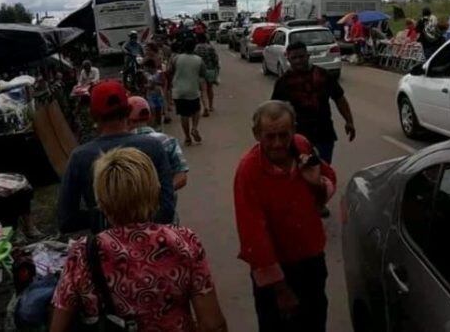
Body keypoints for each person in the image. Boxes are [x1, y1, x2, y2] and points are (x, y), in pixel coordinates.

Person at [51, 148, 227, 332]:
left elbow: (58, 325)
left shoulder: (83, 254)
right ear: (154, 190)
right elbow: (212, 323)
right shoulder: (184, 241)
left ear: (101, 201)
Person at [234, 101, 336, 332]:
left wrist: (316, 182)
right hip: (276, 272)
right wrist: (280, 289)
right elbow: (253, 236)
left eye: (284, 135)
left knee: (316, 321)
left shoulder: (302, 146)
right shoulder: (249, 170)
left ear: (294, 130)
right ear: (257, 135)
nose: (278, 144)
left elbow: (326, 183)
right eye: (270, 137)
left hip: (311, 260)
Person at [57, 79, 175, 233]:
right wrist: (143, 227)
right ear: (128, 111)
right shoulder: (153, 147)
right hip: (154, 247)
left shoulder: (80, 157)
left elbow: (66, 220)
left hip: (106, 251)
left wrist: (104, 219)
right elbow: (167, 209)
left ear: (93, 116)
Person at [271, 41, 355, 168]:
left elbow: (339, 99)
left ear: (308, 56)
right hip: (297, 136)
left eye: (301, 56)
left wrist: (349, 121)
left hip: (324, 134)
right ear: (288, 59)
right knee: (301, 171)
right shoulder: (283, 82)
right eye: (294, 58)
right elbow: (275, 110)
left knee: (323, 169)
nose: (298, 61)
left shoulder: (323, 75)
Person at [128, 96, 189, 223]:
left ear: (126, 120)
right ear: (149, 116)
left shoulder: (120, 146)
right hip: (165, 214)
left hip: (131, 216)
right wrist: (163, 191)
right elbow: (182, 177)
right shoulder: (168, 140)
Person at [170, 37, 207, 146]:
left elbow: (169, 70)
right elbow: (203, 73)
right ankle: (194, 128)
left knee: (183, 115)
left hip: (178, 90)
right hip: (193, 90)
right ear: (194, 47)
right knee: (196, 110)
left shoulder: (176, 58)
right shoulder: (198, 60)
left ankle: (187, 137)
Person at [195, 32, 220, 116]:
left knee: (203, 90)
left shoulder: (196, 48)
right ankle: (211, 105)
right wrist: (217, 69)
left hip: (199, 71)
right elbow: (215, 59)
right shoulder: (210, 47)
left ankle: (205, 106)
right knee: (210, 88)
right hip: (210, 70)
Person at [143, 58, 165, 128]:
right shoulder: (145, 74)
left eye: (146, 67)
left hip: (158, 94)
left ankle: (158, 125)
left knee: (159, 110)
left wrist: (155, 83)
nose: (145, 69)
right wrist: (147, 87)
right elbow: (143, 85)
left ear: (150, 66)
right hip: (150, 95)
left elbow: (163, 83)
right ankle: (153, 126)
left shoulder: (159, 73)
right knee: (152, 111)